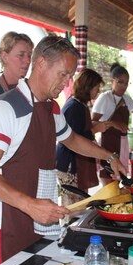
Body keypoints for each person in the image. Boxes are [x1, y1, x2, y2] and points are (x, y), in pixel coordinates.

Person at [0, 36, 126, 265]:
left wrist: (109, 156)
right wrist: (30, 205)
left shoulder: (51, 107)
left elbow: (73, 139)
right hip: (3, 220)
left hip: (36, 215)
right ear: (42, 63)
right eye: (63, 74)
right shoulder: (7, 108)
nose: (66, 83)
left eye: (69, 77)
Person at [56, 68, 112, 206]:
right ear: (87, 87)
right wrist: (95, 130)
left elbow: (80, 127)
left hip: (76, 163)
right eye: (96, 88)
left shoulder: (80, 105)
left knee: (80, 202)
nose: (97, 92)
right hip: (69, 164)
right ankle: (70, 227)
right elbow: (73, 138)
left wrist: (95, 126)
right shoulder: (74, 107)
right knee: (73, 205)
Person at [0, 31, 34, 129]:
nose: (28, 61)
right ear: (4, 57)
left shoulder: (32, 90)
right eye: (21, 55)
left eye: (29, 55)